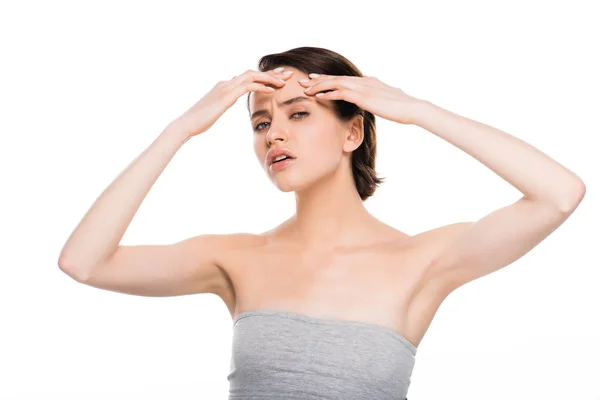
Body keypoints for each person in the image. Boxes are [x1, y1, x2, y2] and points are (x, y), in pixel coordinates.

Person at [57, 46, 586, 399]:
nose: (273, 136)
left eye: (299, 114)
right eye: (261, 122)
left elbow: (559, 195)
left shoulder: (423, 261)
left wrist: (414, 108)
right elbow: (83, 262)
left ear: (352, 132)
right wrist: (181, 129)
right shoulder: (235, 258)